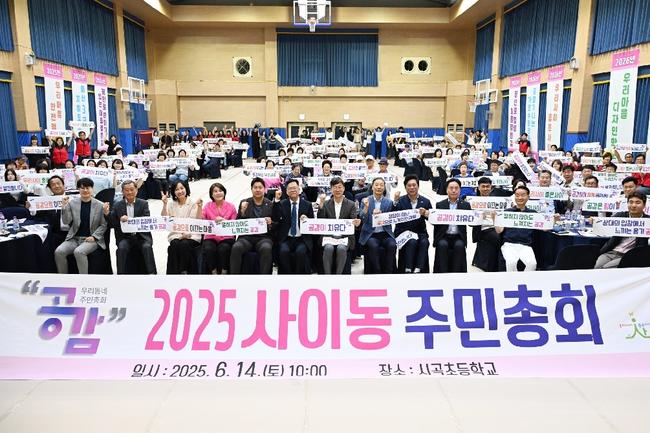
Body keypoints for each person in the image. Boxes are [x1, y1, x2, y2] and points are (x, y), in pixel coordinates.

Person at [54, 178, 107, 274]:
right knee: (59, 252)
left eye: (88, 188)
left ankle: (83, 279)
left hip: (91, 239)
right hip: (74, 238)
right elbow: (66, 221)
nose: (85, 190)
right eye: (82, 188)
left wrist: (94, 237)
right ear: (78, 189)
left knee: (79, 252)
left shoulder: (100, 205)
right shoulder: (72, 203)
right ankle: (63, 277)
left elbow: (104, 225)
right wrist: (64, 207)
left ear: (92, 189)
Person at [103, 180, 156, 275]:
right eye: (126, 190)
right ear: (122, 192)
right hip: (125, 237)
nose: (129, 192)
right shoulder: (117, 205)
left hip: (141, 236)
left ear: (136, 190)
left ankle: (152, 273)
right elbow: (113, 222)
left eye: (132, 189)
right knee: (122, 248)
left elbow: (146, 220)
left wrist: (130, 220)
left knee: (147, 247)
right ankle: (121, 275)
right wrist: (107, 214)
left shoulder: (143, 203)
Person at [230, 177, 275, 274]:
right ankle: (234, 277)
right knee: (236, 247)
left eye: (260, 187)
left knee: (266, 248)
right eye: (255, 187)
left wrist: (270, 222)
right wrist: (242, 212)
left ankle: (265, 278)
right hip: (246, 237)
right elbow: (237, 223)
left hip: (263, 238)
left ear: (264, 189)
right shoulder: (244, 202)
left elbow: (275, 224)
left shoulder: (270, 204)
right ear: (251, 189)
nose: (258, 190)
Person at [318, 177, 361, 274]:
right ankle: (327, 275)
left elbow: (353, 222)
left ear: (344, 188)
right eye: (335, 187)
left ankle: (339, 276)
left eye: (339, 187)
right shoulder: (326, 203)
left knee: (341, 248)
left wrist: (356, 223)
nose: (337, 190)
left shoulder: (351, 204)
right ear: (331, 189)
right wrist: (321, 205)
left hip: (345, 237)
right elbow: (321, 220)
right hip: (329, 236)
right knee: (328, 248)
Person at [595, 191, 649, 268]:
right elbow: (605, 223)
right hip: (611, 252)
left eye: (637, 203)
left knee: (606, 268)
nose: (633, 205)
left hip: (629, 255)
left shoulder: (648, 221)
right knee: (597, 267)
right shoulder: (621, 216)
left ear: (644, 205)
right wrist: (595, 222)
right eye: (631, 202)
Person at [272, 179, 314, 274]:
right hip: (286, 238)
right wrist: (277, 200)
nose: (293, 190)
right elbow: (275, 218)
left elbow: (311, 224)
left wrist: (307, 219)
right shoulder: (282, 204)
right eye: (290, 188)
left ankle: (298, 275)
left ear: (299, 189)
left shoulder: (307, 205)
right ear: (286, 192)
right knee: (283, 251)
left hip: (301, 238)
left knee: (300, 252)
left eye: (295, 188)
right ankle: (287, 276)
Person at [162, 180, 203, 274]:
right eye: (177, 189)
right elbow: (165, 219)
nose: (180, 191)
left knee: (184, 244)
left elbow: (196, 221)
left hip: (191, 234)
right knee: (174, 245)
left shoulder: (193, 203)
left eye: (182, 188)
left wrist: (200, 207)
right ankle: (173, 274)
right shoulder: (171, 204)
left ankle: (184, 271)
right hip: (176, 234)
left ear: (186, 189)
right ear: (174, 192)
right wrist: (164, 204)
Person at [393, 175, 432, 273]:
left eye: (414, 185)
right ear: (405, 187)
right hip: (403, 232)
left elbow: (432, 219)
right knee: (412, 242)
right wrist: (395, 202)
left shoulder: (426, 201)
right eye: (409, 185)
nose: (412, 187)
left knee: (425, 242)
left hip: (420, 232)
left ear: (418, 186)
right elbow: (392, 215)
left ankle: (419, 268)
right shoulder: (400, 200)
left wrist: (426, 213)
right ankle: (408, 268)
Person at [495, 185, 537, 272]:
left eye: (523, 195)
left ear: (528, 197)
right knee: (511, 262)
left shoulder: (533, 213)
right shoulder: (507, 212)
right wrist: (495, 219)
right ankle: (511, 280)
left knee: (532, 264)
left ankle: (524, 279)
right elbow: (499, 231)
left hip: (526, 245)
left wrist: (554, 220)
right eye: (517, 195)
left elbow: (545, 228)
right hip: (509, 244)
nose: (520, 198)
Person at [433, 178, 472, 273]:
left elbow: (471, 222)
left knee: (459, 246)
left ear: (460, 190)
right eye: (451, 188)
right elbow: (435, 222)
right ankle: (443, 274)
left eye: (456, 188)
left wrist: (479, 216)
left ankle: (457, 274)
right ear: (447, 190)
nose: (454, 190)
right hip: (444, 236)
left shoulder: (466, 205)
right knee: (442, 245)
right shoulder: (440, 205)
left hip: (458, 236)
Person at [359, 177, 396, 273]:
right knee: (373, 246)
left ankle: (389, 271)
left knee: (392, 245)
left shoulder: (389, 202)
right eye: (376, 185)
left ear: (384, 187)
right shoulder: (365, 200)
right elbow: (362, 219)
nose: (379, 187)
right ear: (372, 187)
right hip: (370, 234)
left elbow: (393, 216)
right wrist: (366, 208)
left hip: (385, 233)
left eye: (381, 185)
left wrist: (382, 216)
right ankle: (377, 271)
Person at [202, 182, 237, 274]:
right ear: (211, 195)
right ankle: (213, 271)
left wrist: (225, 222)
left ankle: (224, 271)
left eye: (220, 190)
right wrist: (199, 207)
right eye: (215, 191)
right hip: (211, 236)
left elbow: (235, 223)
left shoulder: (231, 206)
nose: (218, 193)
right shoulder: (207, 206)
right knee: (209, 248)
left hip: (226, 236)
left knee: (223, 249)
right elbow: (202, 220)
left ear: (224, 192)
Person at [471, 177, 501, 272]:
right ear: (478, 188)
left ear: (491, 187)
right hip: (483, 229)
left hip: (497, 226)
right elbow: (469, 221)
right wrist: (478, 217)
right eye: (483, 186)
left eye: (487, 186)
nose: (485, 189)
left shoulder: (497, 201)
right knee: (498, 239)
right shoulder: (473, 201)